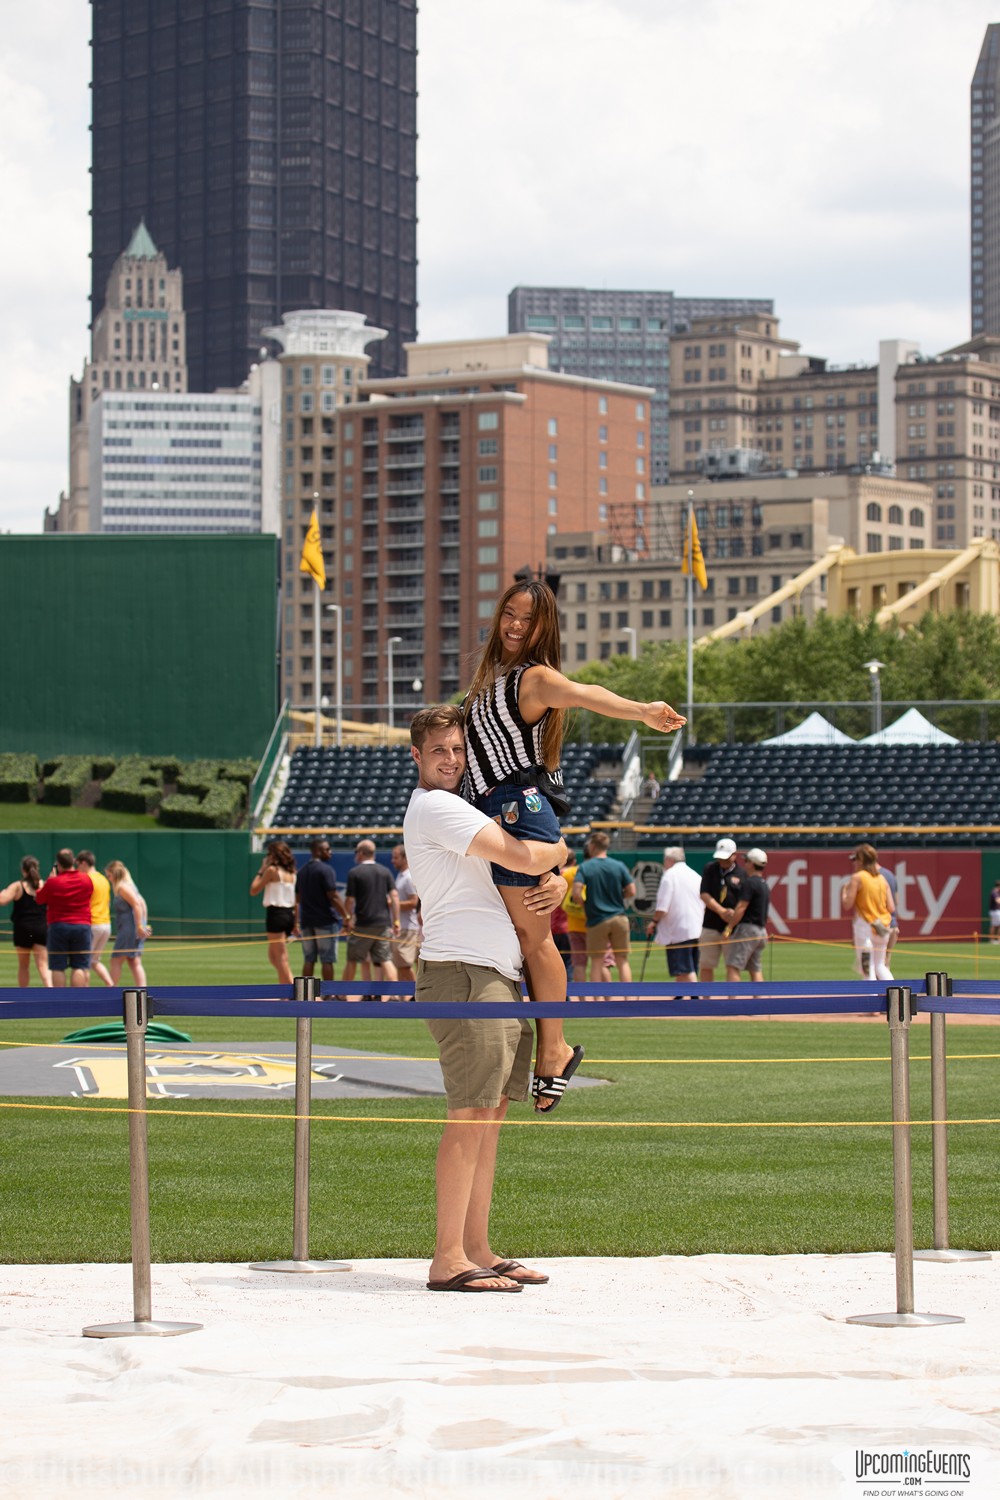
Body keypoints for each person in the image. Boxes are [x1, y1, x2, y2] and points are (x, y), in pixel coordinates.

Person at [463, 579, 685, 1091]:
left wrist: (642, 710)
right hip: (498, 811)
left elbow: (585, 694)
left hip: (517, 808)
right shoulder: (492, 680)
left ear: (545, 628)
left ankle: (555, 1046)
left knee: (534, 939)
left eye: (528, 619)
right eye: (509, 614)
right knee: (521, 938)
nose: (516, 625)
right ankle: (544, 1044)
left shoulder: (534, 678)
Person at [404, 703, 573, 1292]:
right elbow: (524, 856)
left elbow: (522, 873)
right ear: (417, 758)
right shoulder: (437, 806)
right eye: (439, 752)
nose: (450, 760)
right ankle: (447, 1257)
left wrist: (554, 877)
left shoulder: (462, 805)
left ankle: (475, 1246)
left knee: (491, 1117)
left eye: (457, 750)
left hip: (494, 972)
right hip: (463, 973)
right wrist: (561, 854)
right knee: (469, 1116)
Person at [571, 831, 636, 984]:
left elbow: (576, 893)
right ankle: (628, 1000)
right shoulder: (618, 865)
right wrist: (619, 898)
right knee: (622, 961)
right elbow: (632, 891)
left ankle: (596, 1002)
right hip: (619, 917)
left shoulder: (586, 867)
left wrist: (585, 904)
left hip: (597, 919)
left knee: (597, 962)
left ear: (592, 846)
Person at [342, 839, 400, 994]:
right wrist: (396, 921)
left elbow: (349, 900)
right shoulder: (385, 871)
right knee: (385, 959)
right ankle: (395, 994)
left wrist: (347, 920)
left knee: (352, 959)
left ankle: (341, 994)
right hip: (383, 923)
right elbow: (394, 896)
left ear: (361, 853)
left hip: (363, 923)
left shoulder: (355, 872)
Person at [34, 848, 93, 989]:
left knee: (57, 966)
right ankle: (77, 1000)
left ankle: (60, 1000)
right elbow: (89, 895)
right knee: (79, 966)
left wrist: (49, 880)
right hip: (82, 925)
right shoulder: (86, 879)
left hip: (58, 925)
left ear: (58, 864)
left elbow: (39, 899)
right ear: (73, 861)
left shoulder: (54, 882)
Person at [646, 846, 702, 984]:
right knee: (686, 968)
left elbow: (662, 906)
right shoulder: (695, 875)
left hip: (679, 930)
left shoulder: (669, 876)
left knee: (686, 969)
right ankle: (678, 998)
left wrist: (654, 921)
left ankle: (697, 1000)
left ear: (670, 860)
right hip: (696, 928)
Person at [295, 837, 347, 982]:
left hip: (306, 921)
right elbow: (333, 896)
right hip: (324, 921)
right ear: (318, 851)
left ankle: (305, 994)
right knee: (327, 959)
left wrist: (296, 922)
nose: (330, 852)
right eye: (327, 849)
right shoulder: (326, 870)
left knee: (309, 959)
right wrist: (346, 917)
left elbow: (297, 899)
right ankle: (328, 994)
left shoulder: (302, 871)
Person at [841, 843, 894, 982]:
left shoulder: (857, 877)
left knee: (867, 970)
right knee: (880, 966)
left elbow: (847, 904)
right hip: (882, 926)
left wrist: (844, 892)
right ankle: (897, 997)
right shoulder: (882, 879)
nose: (855, 863)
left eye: (856, 859)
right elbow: (891, 907)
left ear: (862, 860)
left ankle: (871, 1000)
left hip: (864, 926)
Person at [698, 837, 748, 984]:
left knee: (732, 966)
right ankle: (706, 1000)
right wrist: (721, 911)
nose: (722, 861)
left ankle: (731, 1001)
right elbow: (704, 894)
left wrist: (733, 915)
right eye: (720, 858)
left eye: (726, 858)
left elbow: (744, 901)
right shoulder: (710, 869)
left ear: (734, 855)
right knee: (706, 965)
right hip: (710, 925)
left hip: (731, 928)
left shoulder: (742, 874)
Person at [250, 840, 298, 986]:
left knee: (281, 957)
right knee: (273, 956)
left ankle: (294, 989)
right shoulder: (292, 873)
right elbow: (295, 900)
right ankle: (284, 990)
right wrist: (296, 922)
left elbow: (254, 890)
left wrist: (261, 869)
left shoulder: (272, 870)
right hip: (289, 914)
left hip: (276, 914)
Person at [0, 856, 52, 987]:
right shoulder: (44, 885)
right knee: (43, 965)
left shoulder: (18, 886)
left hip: (23, 929)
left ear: (23, 870)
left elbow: (2, 900)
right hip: (41, 928)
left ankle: (22, 996)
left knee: (24, 966)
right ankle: (52, 993)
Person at [726, 848, 770, 983]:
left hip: (748, 930)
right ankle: (760, 1001)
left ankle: (734, 1002)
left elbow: (741, 908)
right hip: (761, 931)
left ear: (751, 863)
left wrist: (729, 927)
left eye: (746, 861)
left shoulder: (749, 883)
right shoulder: (764, 884)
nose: (744, 864)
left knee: (733, 967)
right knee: (755, 969)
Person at [106, 861, 151, 986]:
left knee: (115, 961)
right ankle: (143, 991)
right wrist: (143, 923)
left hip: (129, 929)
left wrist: (140, 926)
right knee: (134, 961)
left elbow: (137, 904)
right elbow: (142, 904)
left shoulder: (122, 888)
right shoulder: (130, 885)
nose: (108, 879)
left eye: (109, 875)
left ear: (115, 875)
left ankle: (111, 990)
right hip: (132, 928)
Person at [75, 851, 112, 986]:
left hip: (92, 923)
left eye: (78, 864)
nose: (77, 868)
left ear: (84, 863)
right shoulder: (103, 879)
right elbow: (108, 903)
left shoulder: (86, 879)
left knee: (83, 962)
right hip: (106, 924)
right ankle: (111, 986)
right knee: (94, 961)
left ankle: (85, 993)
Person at [390, 843, 420, 982]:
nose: (393, 860)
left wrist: (392, 904)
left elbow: (413, 902)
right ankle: (405, 998)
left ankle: (414, 998)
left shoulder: (408, 877)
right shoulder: (401, 876)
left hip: (408, 927)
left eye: (396, 857)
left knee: (405, 965)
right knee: (401, 965)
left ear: (405, 858)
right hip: (403, 926)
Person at [990, 880, 1000, 944]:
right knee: (995, 925)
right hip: (995, 911)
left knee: (994, 925)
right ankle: (995, 940)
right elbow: (998, 901)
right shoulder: (994, 892)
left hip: (996, 911)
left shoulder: (997, 892)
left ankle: (993, 940)